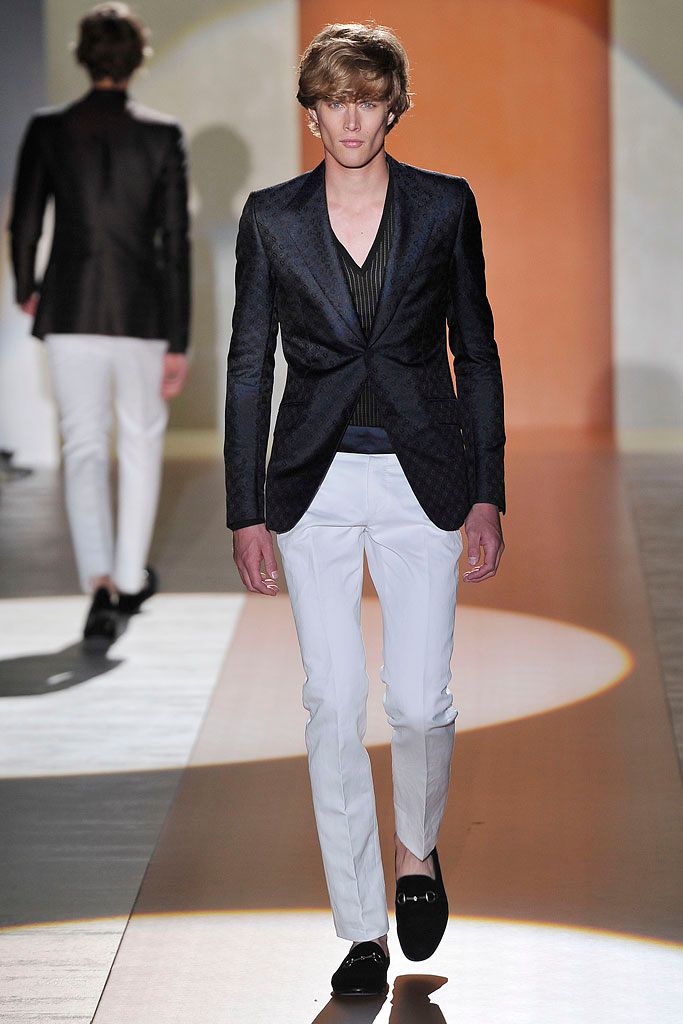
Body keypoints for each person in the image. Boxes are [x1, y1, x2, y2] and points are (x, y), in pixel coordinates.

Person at [224, 22, 505, 996]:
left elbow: (476, 349)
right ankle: (358, 930)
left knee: (419, 703)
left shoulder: (443, 206)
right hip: (312, 481)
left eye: (368, 99)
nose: (351, 119)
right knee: (332, 703)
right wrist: (244, 508)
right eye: (334, 100)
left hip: (424, 473)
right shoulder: (271, 219)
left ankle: (415, 851)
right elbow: (248, 364)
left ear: (393, 108)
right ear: (311, 113)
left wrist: (486, 489)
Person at [9, 2, 191, 647]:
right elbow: (174, 242)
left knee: (83, 446)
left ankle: (101, 584)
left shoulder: (49, 128)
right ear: (137, 59)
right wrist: (179, 338)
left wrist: (26, 288)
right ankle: (129, 575)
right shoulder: (162, 135)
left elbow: (24, 220)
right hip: (142, 313)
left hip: (70, 308)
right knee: (139, 444)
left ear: (83, 58)